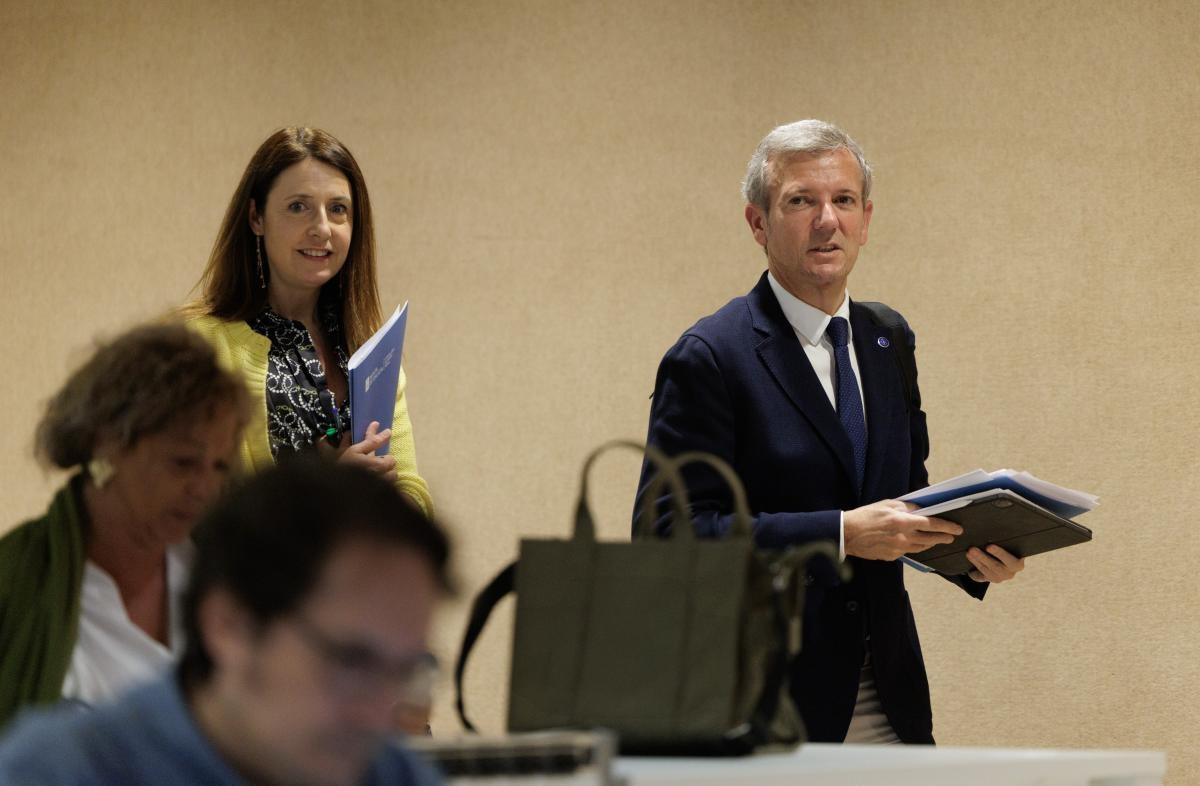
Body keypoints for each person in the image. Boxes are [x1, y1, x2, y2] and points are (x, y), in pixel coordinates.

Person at [633, 119, 1025, 745]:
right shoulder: (710, 355)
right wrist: (840, 534)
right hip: (764, 707)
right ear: (757, 223)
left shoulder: (887, 337)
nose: (826, 220)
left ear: (866, 219)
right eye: (800, 201)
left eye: (843, 200)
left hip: (889, 696)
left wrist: (969, 555)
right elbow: (669, 535)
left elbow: (904, 496)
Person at [0, 459, 450, 786]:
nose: (380, 714)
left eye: (406, 671)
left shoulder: (388, 774)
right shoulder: (63, 770)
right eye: (352, 663)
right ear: (231, 626)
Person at [0, 322, 249, 729]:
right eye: (183, 462)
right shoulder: (15, 583)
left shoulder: (224, 574)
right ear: (107, 444)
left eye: (219, 466)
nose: (205, 488)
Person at [185, 126, 432, 514]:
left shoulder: (374, 355)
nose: (321, 228)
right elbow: (195, 512)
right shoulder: (198, 348)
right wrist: (328, 496)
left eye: (338, 209)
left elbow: (413, 496)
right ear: (256, 217)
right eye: (298, 206)